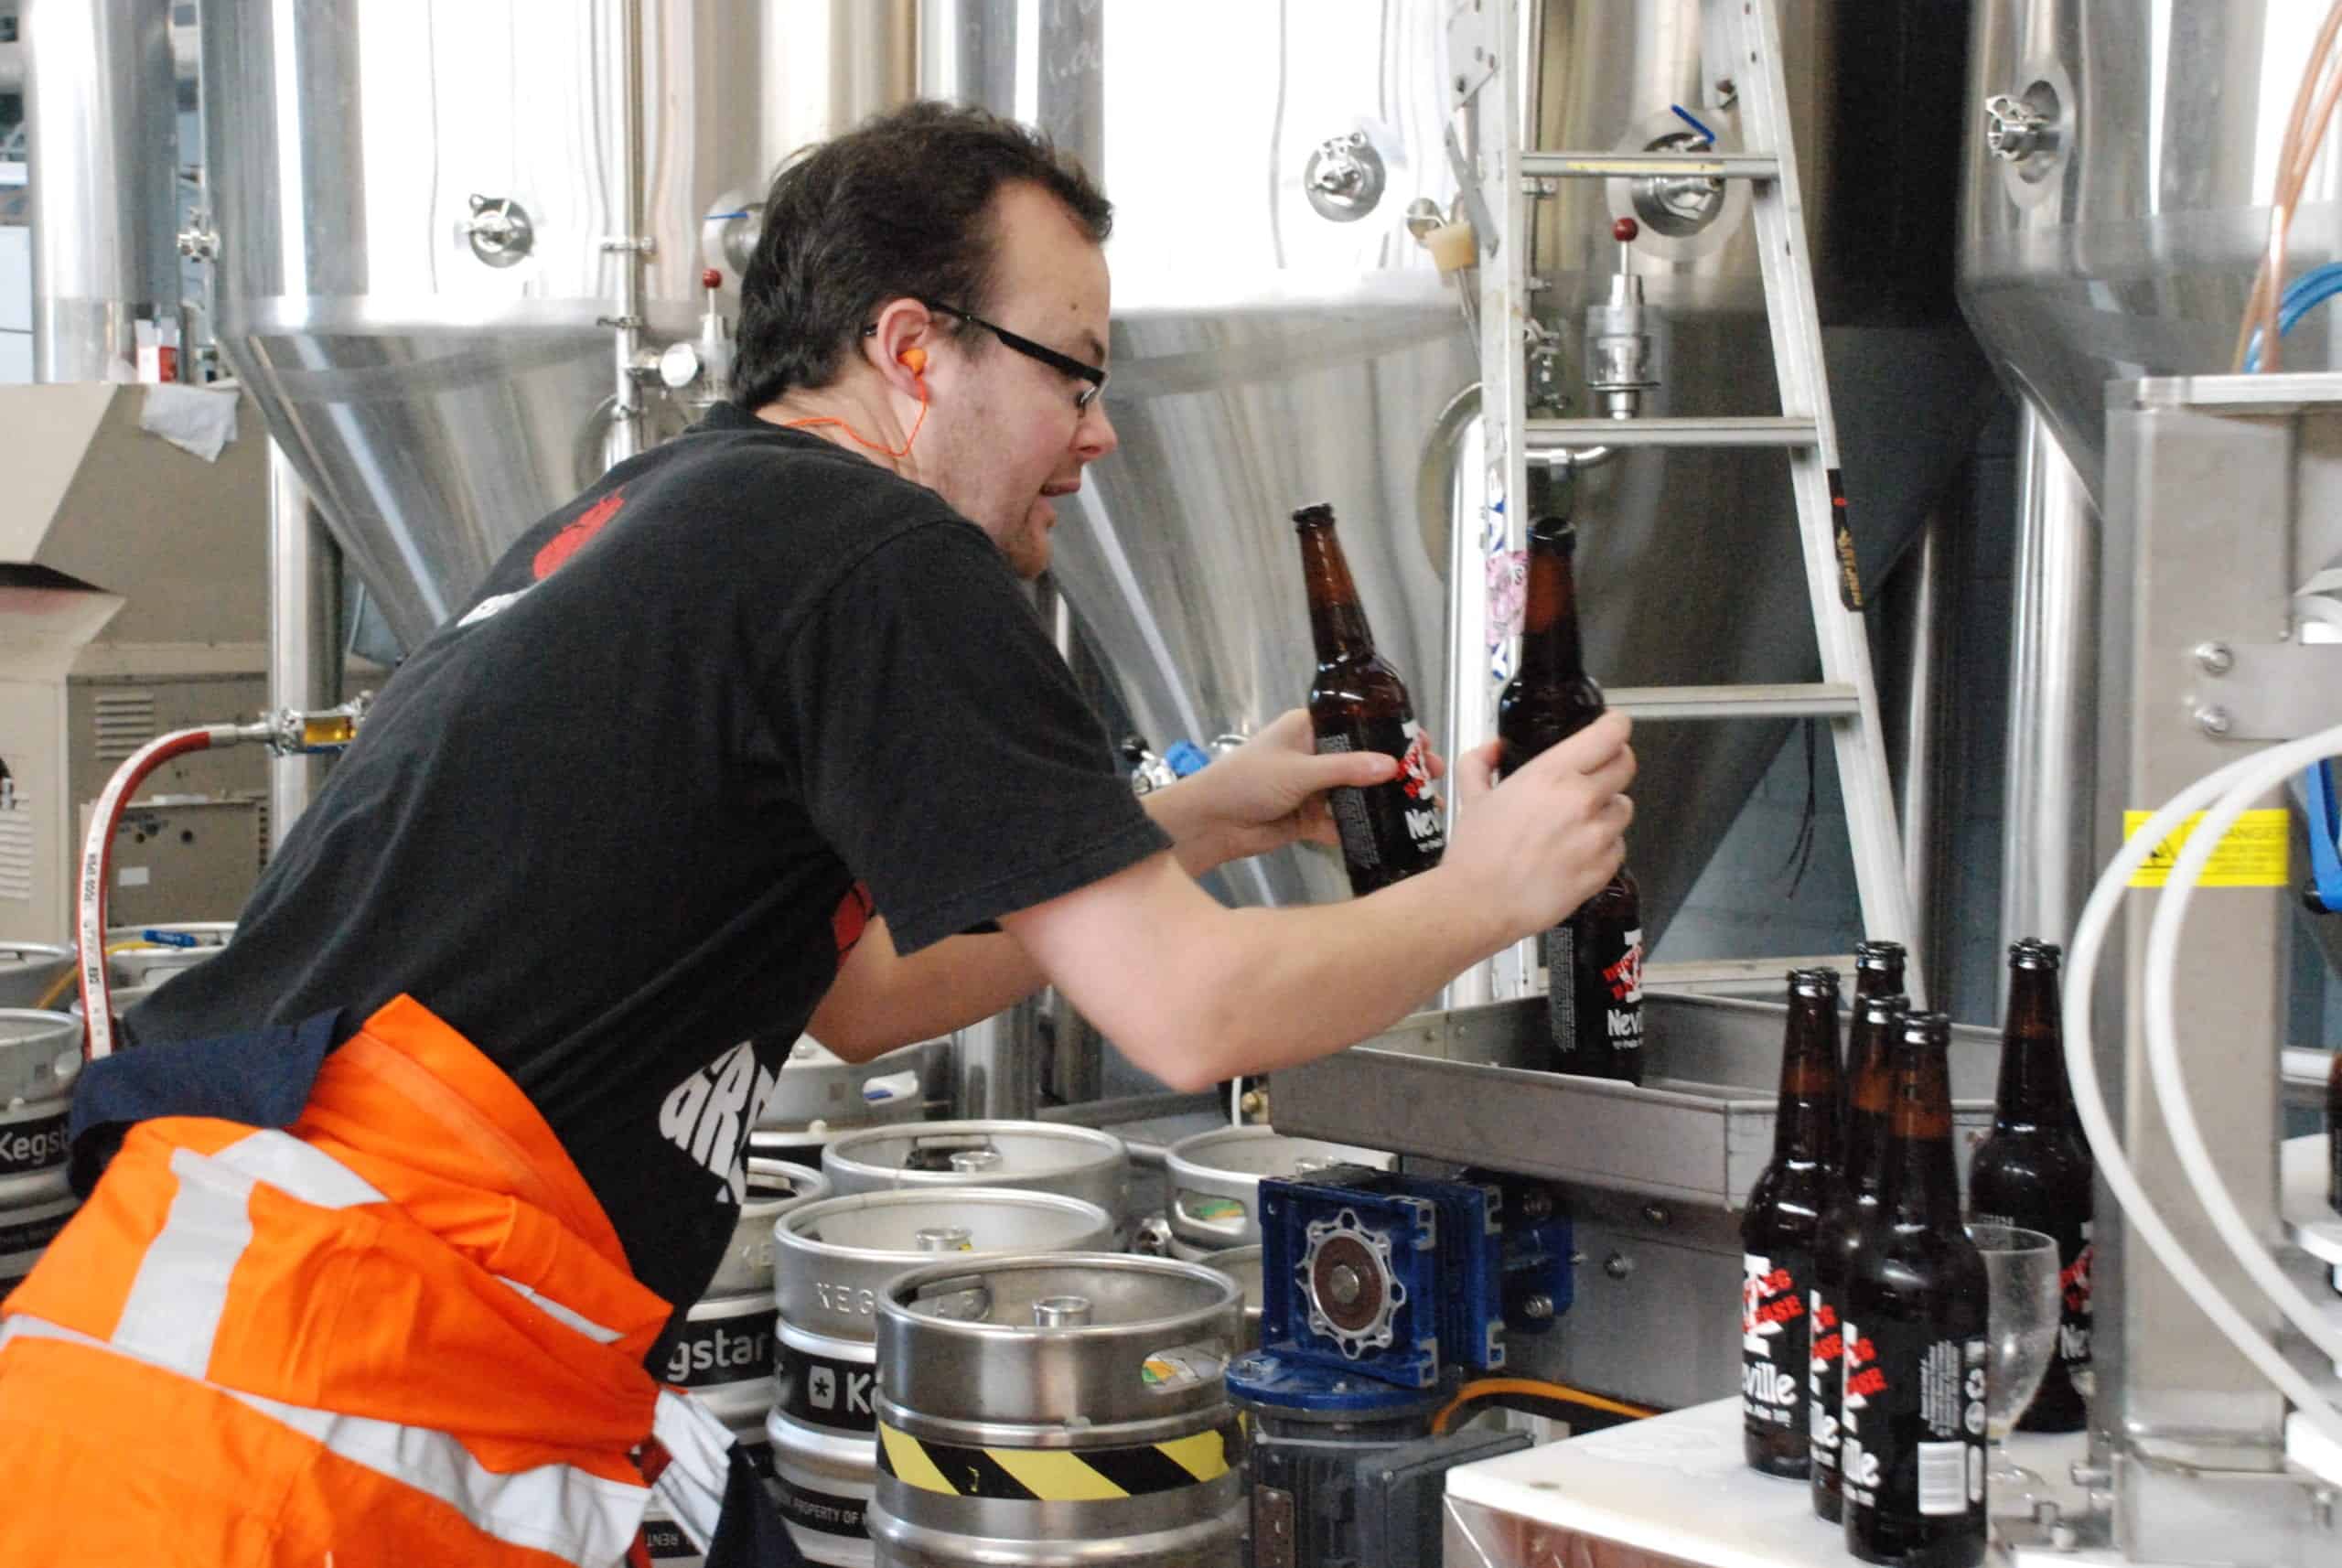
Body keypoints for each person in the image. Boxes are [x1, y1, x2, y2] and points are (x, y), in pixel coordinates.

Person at [0, 102, 1634, 1565]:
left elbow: (847, 991)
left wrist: (1187, 825)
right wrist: (1491, 890)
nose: (1102, 433)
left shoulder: (662, 513)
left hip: (171, 1343)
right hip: (322, 1423)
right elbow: (1187, 1012)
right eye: (1075, 372)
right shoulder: (884, 552)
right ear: (917, 350)